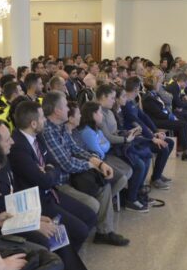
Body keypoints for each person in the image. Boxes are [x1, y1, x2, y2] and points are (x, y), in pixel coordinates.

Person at [7, 103, 115, 270]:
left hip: (49, 192)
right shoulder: (18, 147)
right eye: (41, 118)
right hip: (35, 201)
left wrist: (48, 170)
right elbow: (44, 178)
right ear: (33, 123)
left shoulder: (37, 137)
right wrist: (49, 171)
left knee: (89, 216)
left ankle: (64, 265)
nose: (44, 121)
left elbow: (53, 166)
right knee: (76, 231)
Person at [41, 91, 129, 247]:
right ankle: (80, 234)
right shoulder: (48, 131)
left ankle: (104, 232)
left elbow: (76, 149)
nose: (69, 109)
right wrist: (92, 164)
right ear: (57, 110)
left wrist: (98, 163)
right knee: (93, 204)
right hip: (60, 183)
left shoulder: (60, 127)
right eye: (66, 106)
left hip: (72, 176)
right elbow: (66, 164)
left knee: (104, 185)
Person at [121, 77, 175, 188]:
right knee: (163, 147)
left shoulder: (132, 100)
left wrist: (156, 131)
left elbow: (143, 116)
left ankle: (157, 175)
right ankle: (156, 179)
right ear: (136, 88)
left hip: (141, 135)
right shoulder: (125, 103)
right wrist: (153, 138)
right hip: (133, 139)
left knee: (169, 142)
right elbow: (137, 121)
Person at [75, 102, 130, 198]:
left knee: (128, 170)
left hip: (104, 157)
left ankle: (114, 197)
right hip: (98, 161)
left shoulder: (97, 128)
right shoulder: (87, 132)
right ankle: (105, 199)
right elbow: (99, 152)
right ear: (93, 114)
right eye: (100, 112)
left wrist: (102, 145)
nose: (102, 116)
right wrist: (103, 145)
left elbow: (107, 144)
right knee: (122, 179)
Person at [141, 79, 187, 162]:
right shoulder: (148, 98)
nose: (160, 85)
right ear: (154, 85)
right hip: (155, 121)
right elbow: (158, 113)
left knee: (183, 122)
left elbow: (162, 109)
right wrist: (171, 117)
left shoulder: (154, 95)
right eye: (158, 83)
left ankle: (186, 150)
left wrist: (171, 115)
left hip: (161, 118)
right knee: (182, 124)